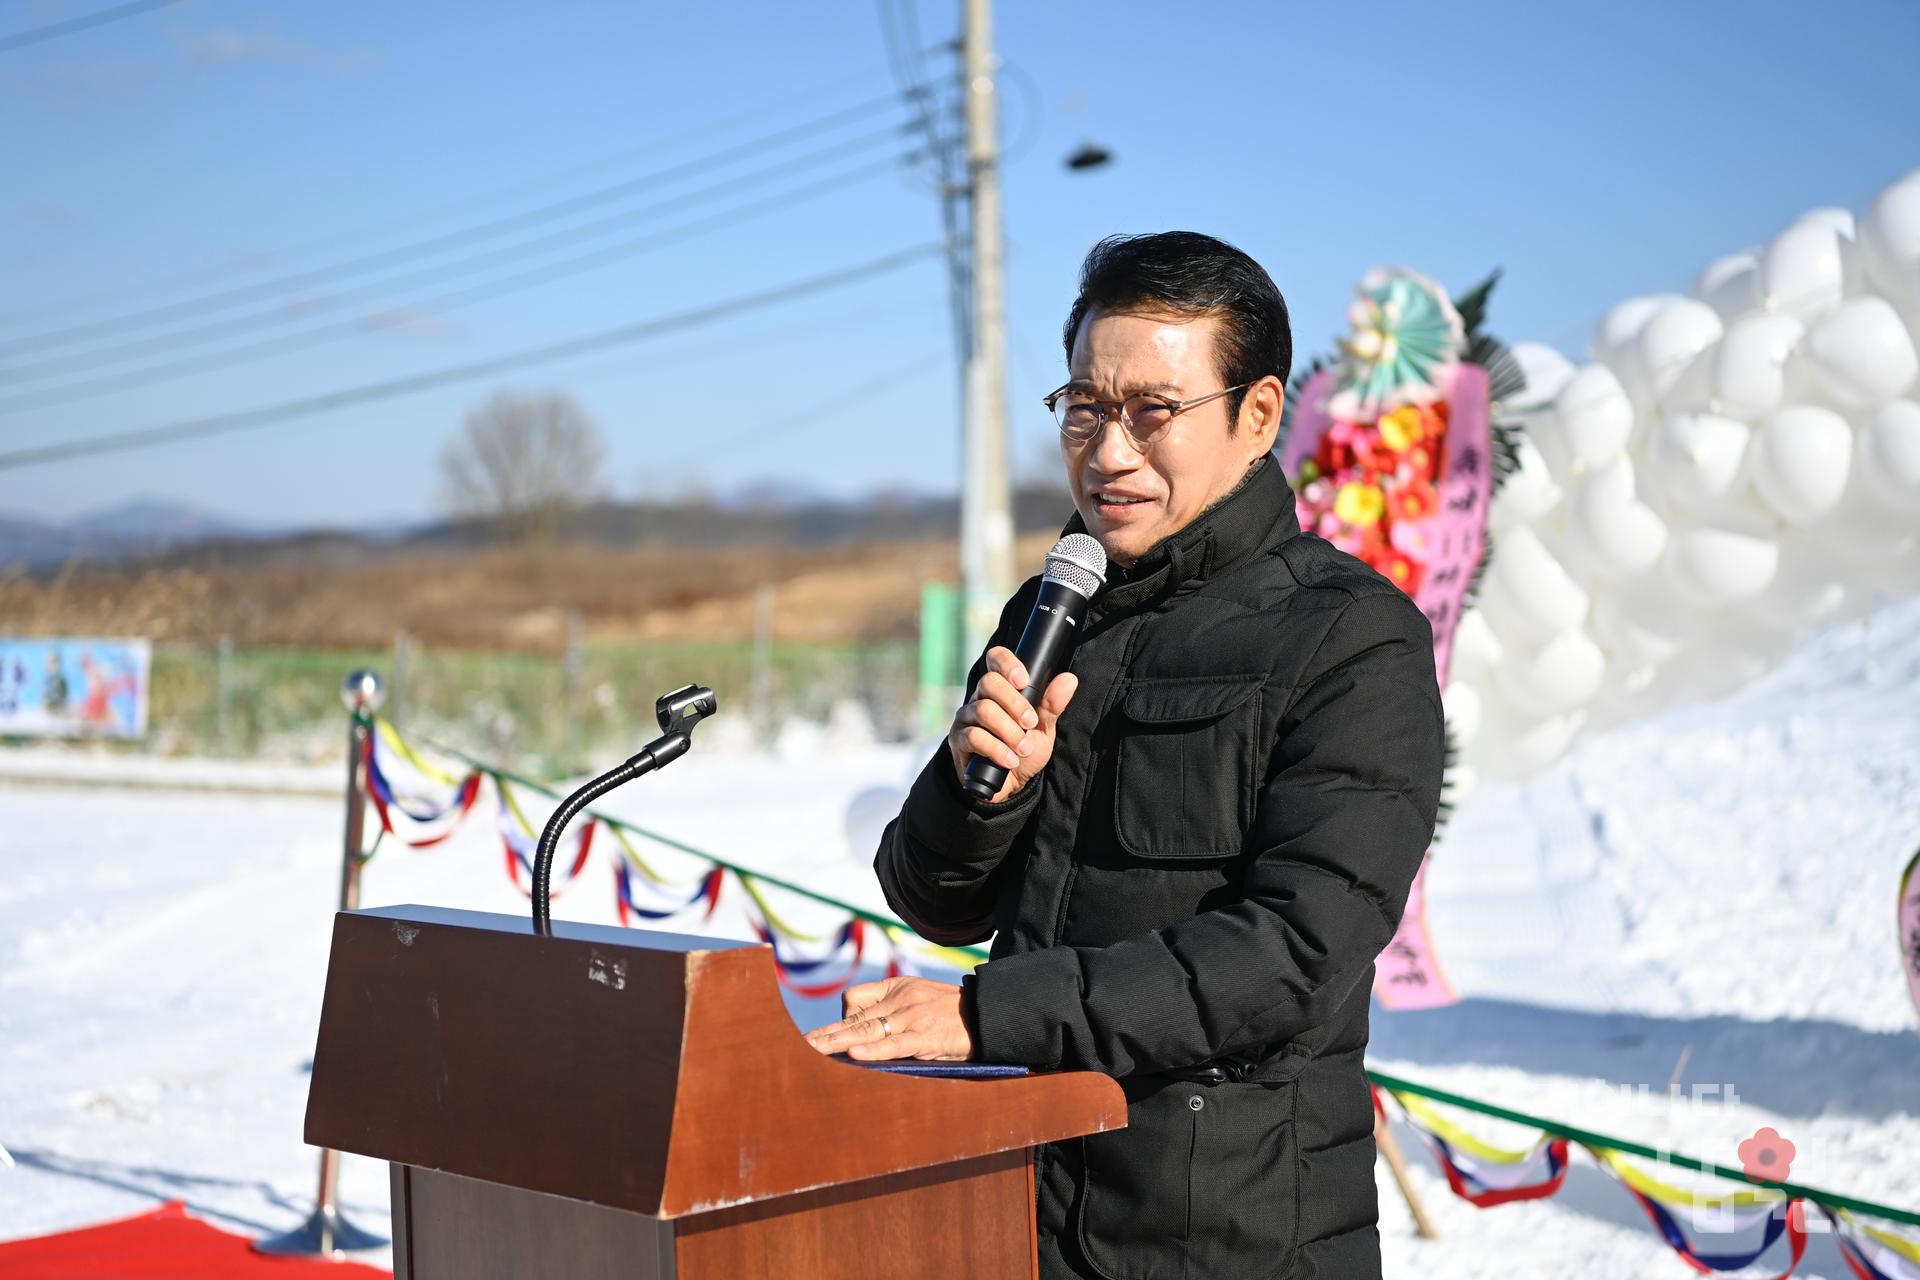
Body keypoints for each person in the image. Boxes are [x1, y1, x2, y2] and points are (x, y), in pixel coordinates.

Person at [805, 232, 1445, 1279]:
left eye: (1153, 411)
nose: (1107, 451)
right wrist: (985, 799)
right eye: (1086, 408)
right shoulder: (1053, 607)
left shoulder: (1349, 638)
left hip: (1224, 1232)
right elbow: (933, 895)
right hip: (1017, 1201)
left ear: (1260, 413)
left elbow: (1292, 951)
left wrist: (984, 1013)